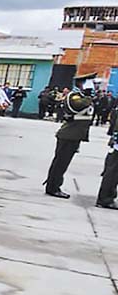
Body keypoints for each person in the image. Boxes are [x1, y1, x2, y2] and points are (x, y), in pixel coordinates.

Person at [44, 71, 97, 199]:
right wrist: (89, 96)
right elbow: (78, 105)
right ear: (82, 84)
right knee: (60, 163)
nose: (93, 86)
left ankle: (54, 185)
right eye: (90, 83)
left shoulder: (82, 95)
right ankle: (53, 187)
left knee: (63, 163)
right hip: (68, 135)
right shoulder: (74, 96)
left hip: (74, 135)